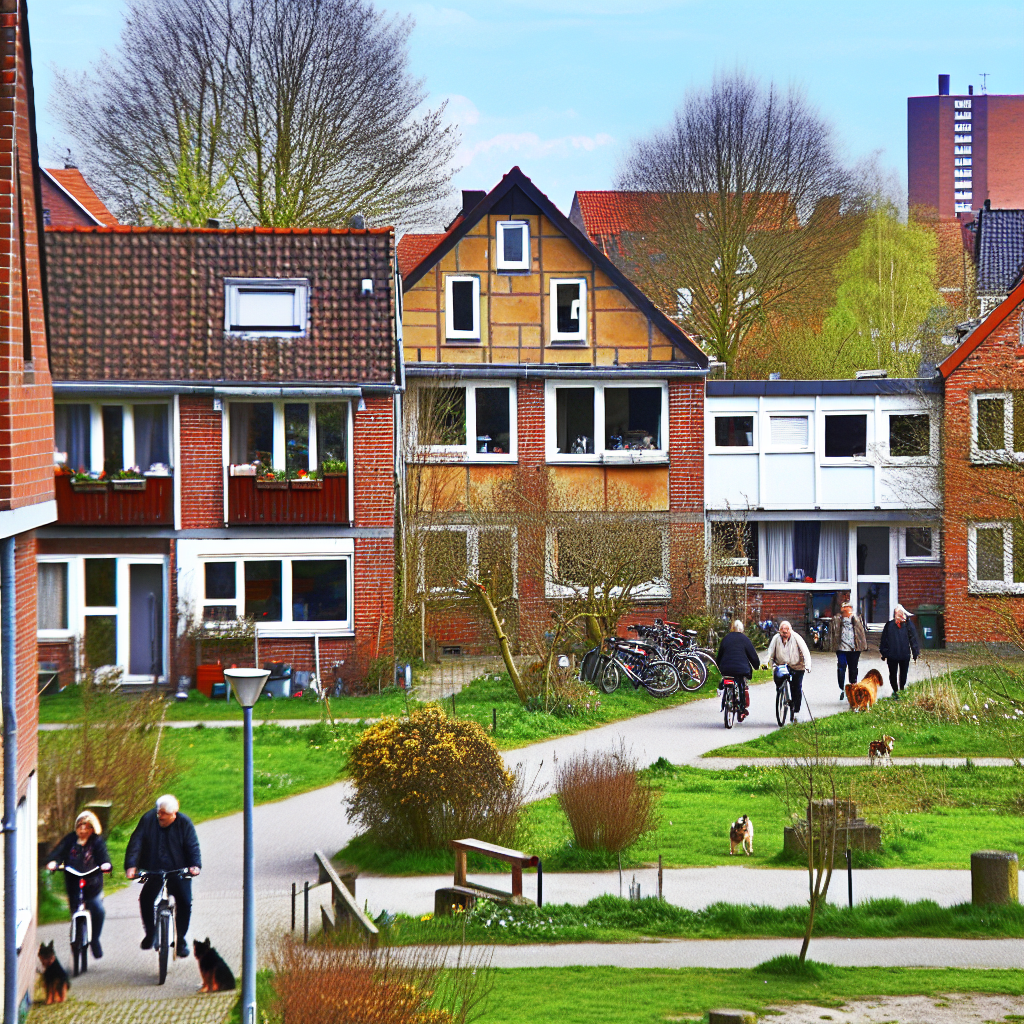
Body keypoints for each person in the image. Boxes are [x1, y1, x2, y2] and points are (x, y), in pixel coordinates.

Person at [125, 795, 201, 958]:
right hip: (153, 869)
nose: (160, 816)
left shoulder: (184, 823)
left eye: (164, 813)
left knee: (185, 902)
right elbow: (136, 842)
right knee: (145, 898)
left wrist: (195, 865)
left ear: (174, 813)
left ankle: (180, 940)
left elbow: (192, 845)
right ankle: (150, 934)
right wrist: (131, 865)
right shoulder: (148, 820)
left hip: (179, 870)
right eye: (159, 812)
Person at [46, 810, 111, 959]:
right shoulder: (70, 840)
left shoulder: (97, 841)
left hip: (93, 882)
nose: (82, 830)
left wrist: (105, 864)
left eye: (86, 826)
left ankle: (95, 940)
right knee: (75, 909)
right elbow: (58, 852)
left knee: (98, 910)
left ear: (92, 829)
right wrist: (53, 862)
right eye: (80, 826)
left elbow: (103, 856)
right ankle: (76, 939)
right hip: (73, 881)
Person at [765, 620, 812, 721]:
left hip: (797, 665)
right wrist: (765, 663)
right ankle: (781, 693)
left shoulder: (796, 637)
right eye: (782, 631)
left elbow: (805, 651)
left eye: (786, 631)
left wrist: (808, 665)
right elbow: (770, 652)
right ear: (779, 631)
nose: (784, 633)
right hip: (781, 665)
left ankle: (796, 711)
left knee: (796, 687)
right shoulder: (776, 638)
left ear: (790, 630)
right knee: (778, 679)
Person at [715, 619, 760, 722]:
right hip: (741, 669)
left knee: (727, 678)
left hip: (725, 669)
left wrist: (719, 667)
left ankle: (726, 696)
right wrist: (756, 665)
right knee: (742, 685)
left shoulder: (726, 639)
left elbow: (720, 655)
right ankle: (742, 709)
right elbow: (752, 656)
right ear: (742, 629)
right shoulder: (745, 639)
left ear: (732, 628)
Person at [829, 600, 867, 702]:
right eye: (845, 609)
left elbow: (861, 633)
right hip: (841, 648)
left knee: (853, 668)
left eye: (848, 609)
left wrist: (862, 646)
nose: (847, 611)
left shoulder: (856, 619)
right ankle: (842, 688)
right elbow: (833, 631)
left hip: (854, 649)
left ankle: (852, 686)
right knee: (841, 667)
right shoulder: (837, 619)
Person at [879, 604, 920, 698]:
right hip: (892, 655)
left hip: (904, 654)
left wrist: (915, 652)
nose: (898, 615)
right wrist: (884, 653)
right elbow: (884, 639)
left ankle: (901, 689)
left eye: (900, 613)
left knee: (903, 674)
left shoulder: (907, 625)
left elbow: (913, 638)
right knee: (892, 674)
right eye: (897, 613)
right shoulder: (889, 625)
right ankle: (895, 690)